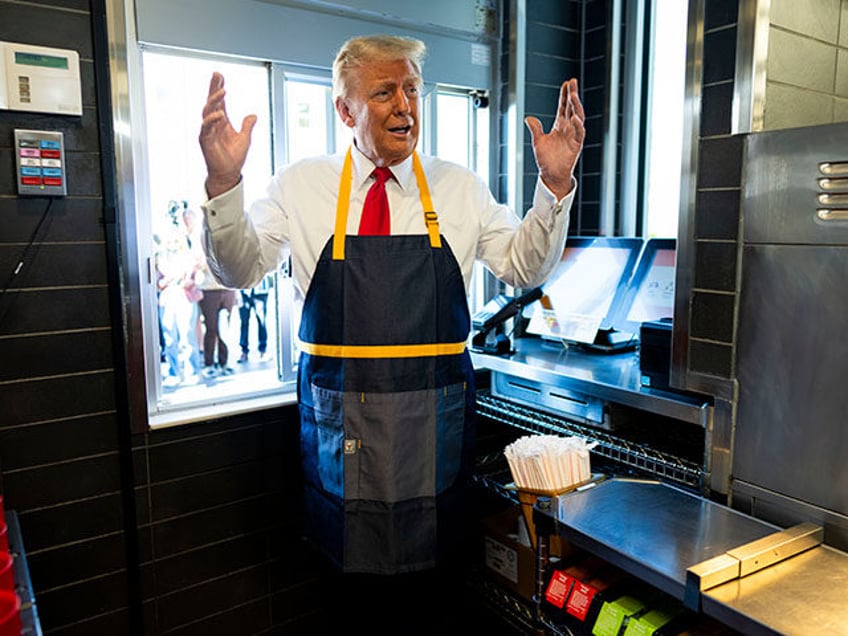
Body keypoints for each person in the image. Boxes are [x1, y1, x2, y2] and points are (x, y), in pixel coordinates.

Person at [199, 34, 584, 632]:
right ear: (345, 110)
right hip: (341, 446)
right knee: (347, 609)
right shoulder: (301, 187)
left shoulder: (458, 188)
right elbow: (238, 268)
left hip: (434, 445)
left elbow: (523, 265)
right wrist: (224, 187)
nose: (404, 105)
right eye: (384, 92)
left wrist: (554, 189)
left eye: (412, 89)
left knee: (435, 608)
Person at [237, 275, 271, 363]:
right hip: (244, 291)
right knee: (244, 322)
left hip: (260, 291)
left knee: (261, 322)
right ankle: (244, 351)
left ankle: (263, 349)